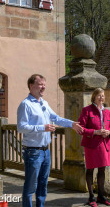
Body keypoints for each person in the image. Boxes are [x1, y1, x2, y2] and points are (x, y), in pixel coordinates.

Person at [17, 74, 83, 207]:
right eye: (41, 84)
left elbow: (56, 118)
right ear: (31, 85)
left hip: (46, 151)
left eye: (44, 85)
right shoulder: (25, 105)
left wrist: (71, 124)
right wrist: (43, 127)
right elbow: (21, 127)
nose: (43, 87)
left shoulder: (44, 103)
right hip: (32, 152)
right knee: (30, 187)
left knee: (43, 185)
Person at [78, 88, 110, 207]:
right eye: (99, 95)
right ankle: (91, 197)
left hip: (104, 145)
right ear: (94, 97)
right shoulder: (87, 110)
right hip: (91, 145)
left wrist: (108, 132)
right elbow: (81, 128)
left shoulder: (107, 112)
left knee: (102, 169)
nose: (101, 98)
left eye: (103, 95)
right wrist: (95, 132)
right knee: (90, 169)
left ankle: (101, 196)